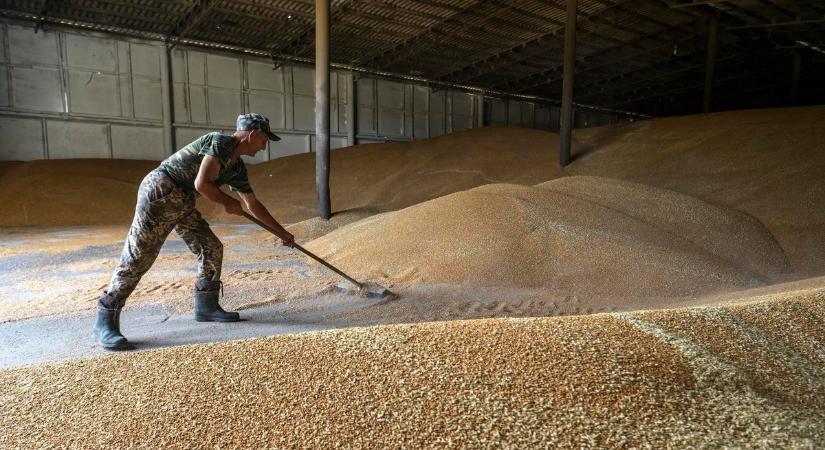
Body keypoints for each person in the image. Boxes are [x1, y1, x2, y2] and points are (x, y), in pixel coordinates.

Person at [95, 113, 295, 351]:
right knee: (139, 258)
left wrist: (281, 232)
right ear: (252, 135)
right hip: (160, 192)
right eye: (264, 140)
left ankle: (206, 306)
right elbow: (202, 184)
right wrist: (227, 203)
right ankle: (106, 318)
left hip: (183, 202)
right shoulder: (219, 142)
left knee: (211, 247)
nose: (264, 146)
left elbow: (253, 204)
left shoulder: (237, 168)